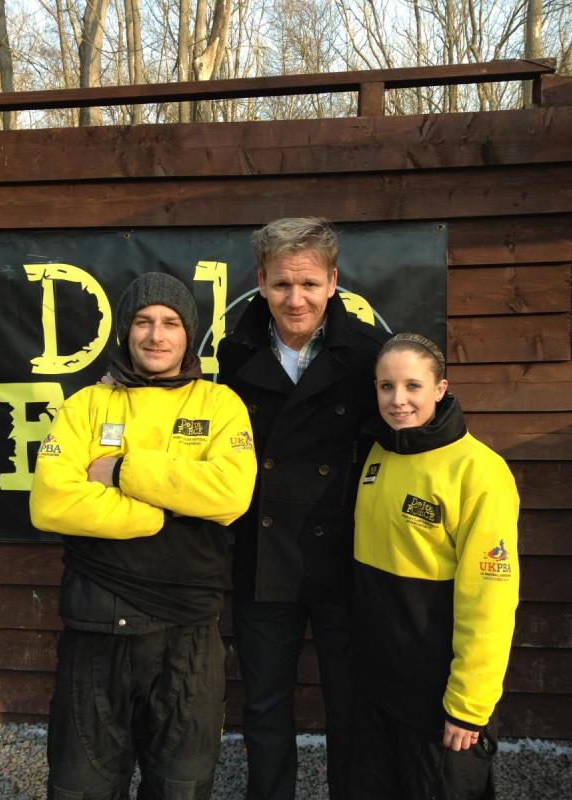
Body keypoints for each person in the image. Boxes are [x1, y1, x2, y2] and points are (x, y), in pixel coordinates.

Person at [29, 272, 257, 800]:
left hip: (188, 631)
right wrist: (158, 514)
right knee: (81, 786)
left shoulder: (219, 405)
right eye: (144, 321)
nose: (157, 335)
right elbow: (50, 501)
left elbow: (229, 495)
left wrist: (124, 470)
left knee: (181, 786)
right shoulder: (85, 405)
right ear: (126, 333)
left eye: (171, 323)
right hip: (95, 622)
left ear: (188, 333)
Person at [217, 217, 387, 800]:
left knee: (349, 705)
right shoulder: (232, 355)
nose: (297, 299)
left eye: (310, 284)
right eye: (283, 284)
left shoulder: (369, 357)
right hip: (263, 560)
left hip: (343, 555)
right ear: (261, 283)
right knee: (264, 708)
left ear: (333, 282)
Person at [352, 332, 520, 800]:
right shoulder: (377, 454)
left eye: (413, 386)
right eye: (386, 387)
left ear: (441, 388)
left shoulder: (479, 472)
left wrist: (469, 704)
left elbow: (490, 600)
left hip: (440, 699)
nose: (398, 400)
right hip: (379, 690)